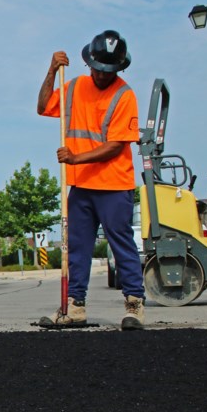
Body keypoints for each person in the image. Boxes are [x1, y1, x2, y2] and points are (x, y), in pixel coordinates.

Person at [36, 29, 145, 330]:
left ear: (119, 68)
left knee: (121, 244)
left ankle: (134, 306)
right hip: (81, 186)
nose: (101, 76)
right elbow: (43, 106)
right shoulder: (72, 87)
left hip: (114, 185)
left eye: (108, 71)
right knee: (77, 248)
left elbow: (115, 145)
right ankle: (75, 307)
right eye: (97, 69)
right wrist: (51, 70)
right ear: (89, 63)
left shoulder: (125, 95)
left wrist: (75, 158)